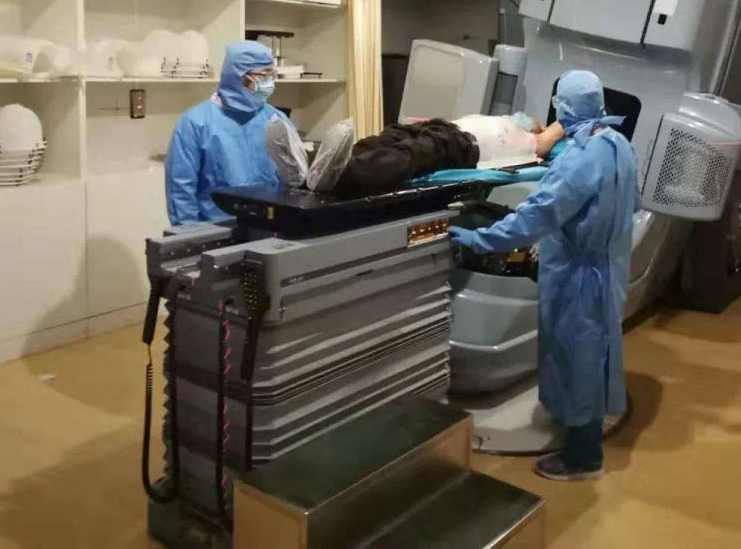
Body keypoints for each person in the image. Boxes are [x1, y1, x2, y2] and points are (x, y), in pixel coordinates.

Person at [448, 71, 640, 482]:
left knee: (575, 355)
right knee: (595, 349)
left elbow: (532, 218)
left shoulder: (576, 161)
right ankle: (581, 429)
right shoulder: (617, 144)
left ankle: (583, 458)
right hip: (609, 264)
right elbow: (627, 199)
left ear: (564, 107)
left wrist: (479, 239)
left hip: (577, 274)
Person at [267, 112, 566, 194]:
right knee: (384, 138)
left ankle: (345, 175)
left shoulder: (535, 143)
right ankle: (308, 166)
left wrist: (570, 120)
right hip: (446, 126)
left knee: (411, 153)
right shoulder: (512, 120)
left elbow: (556, 130)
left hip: (463, 146)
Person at [165, 41, 287, 225]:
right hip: (216, 231)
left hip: (270, 227)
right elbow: (180, 190)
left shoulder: (276, 120)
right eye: (262, 76)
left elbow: (292, 181)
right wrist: (190, 235)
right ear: (237, 77)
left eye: (271, 75)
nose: (268, 83)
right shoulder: (196, 123)